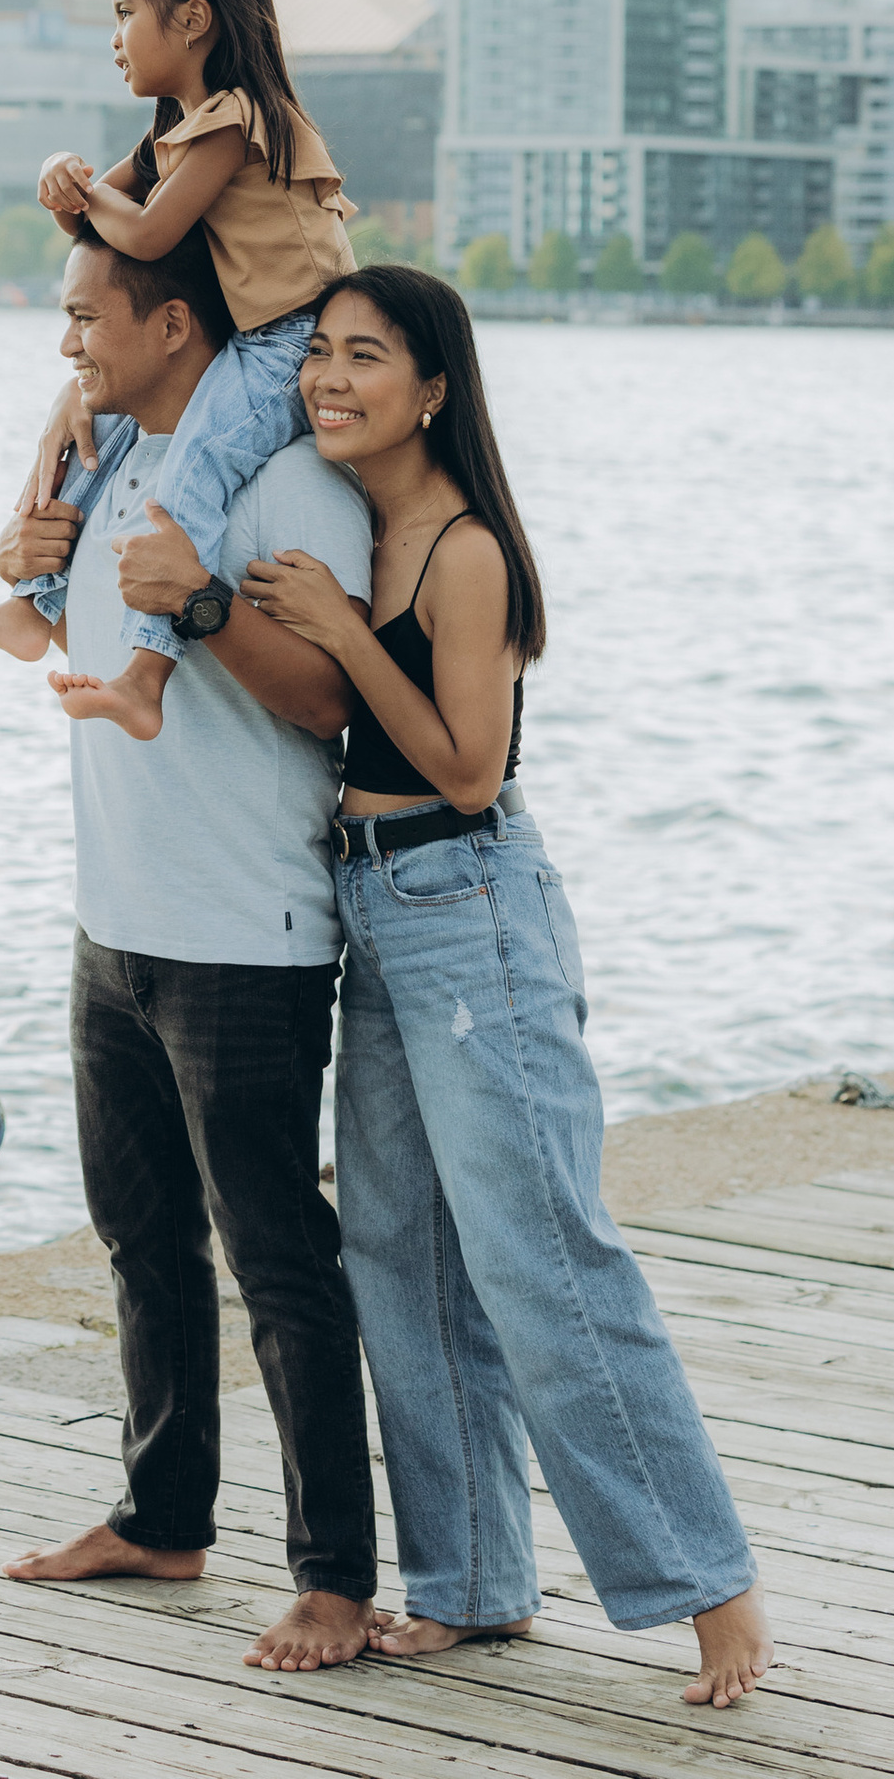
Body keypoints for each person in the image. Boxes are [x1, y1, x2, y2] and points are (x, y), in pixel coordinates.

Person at [248, 263, 774, 1712]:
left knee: (541, 1255)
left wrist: (349, 633)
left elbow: (469, 768)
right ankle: (471, 1583)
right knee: (398, 1255)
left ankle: (712, 1587)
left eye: (367, 357)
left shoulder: (463, 550)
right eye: (320, 356)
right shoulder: (352, 515)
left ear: (434, 388)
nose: (331, 380)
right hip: (376, 904)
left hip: (470, 910)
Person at [0, 222, 381, 1673]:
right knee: (142, 1240)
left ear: (173, 326)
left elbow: (337, 703)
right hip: (117, 928)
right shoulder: (122, 466)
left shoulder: (282, 485)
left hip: (244, 938)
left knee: (281, 1264)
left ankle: (335, 1575)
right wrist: (31, 562)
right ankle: (163, 1516)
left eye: (92, 314)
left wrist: (200, 610)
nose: (71, 339)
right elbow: (68, 652)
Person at [0, 0, 354, 738]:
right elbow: (94, 232)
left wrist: (85, 194)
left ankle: (146, 673)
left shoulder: (238, 117)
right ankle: (34, 606)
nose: (114, 40)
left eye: (124, 14)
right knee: (98, 426)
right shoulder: (179, 131)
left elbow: (149, 234)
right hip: (253, 337)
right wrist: (63, 177)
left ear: (193, 19)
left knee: (192, 465)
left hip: (296, 340)